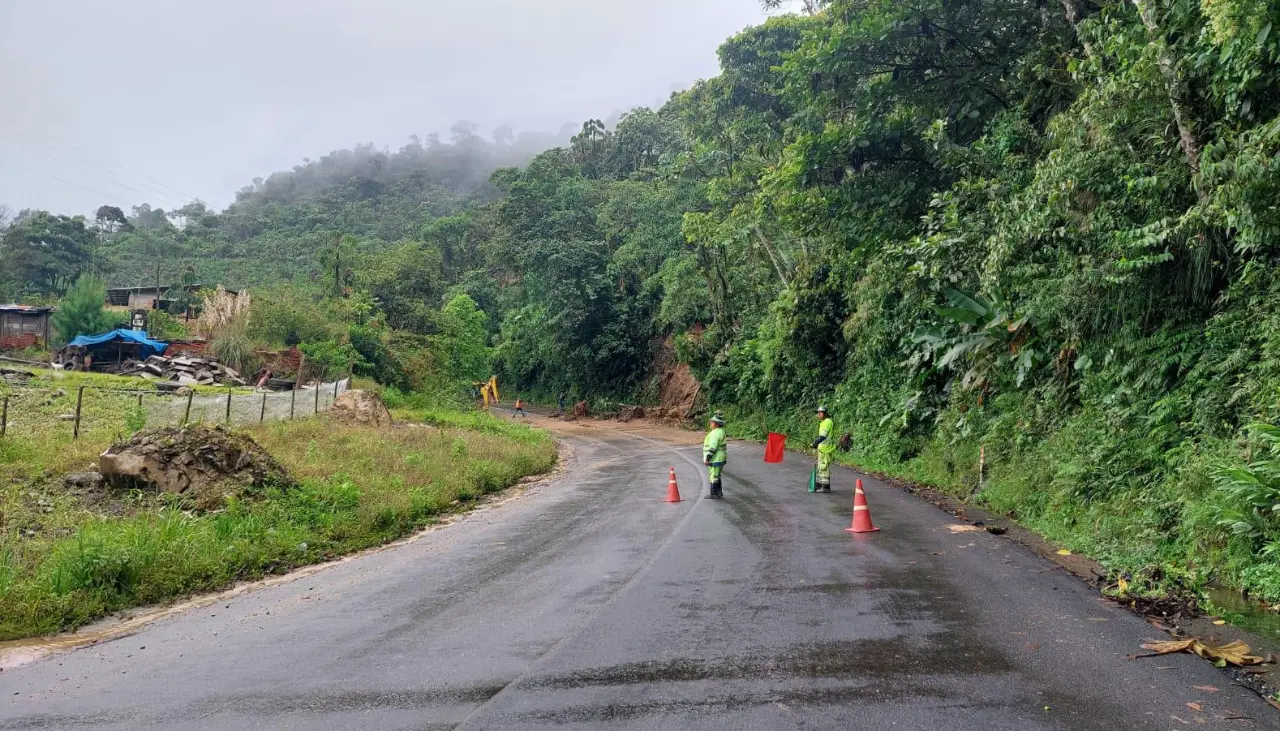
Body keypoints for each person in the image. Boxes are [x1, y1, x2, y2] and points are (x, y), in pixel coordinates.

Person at [703, 412, 728, 500]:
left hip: (716, 458)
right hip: (720, 457)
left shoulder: (715, 433)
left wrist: (708, 458)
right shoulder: (721, 431)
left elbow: (713, 447)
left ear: (717, 424)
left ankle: (713, 493)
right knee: (717, 475)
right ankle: (719, 492)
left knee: (713, 475)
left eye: (712, 422)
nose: (710, 423)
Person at [811, 405, 835, 493]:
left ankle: (825, 487)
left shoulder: (827, 422)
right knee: (821, 467)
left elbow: (823, 436)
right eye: (818, 413)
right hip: (822, 448)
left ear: (825, 413)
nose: (818, 414)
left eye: (820, 412)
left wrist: (815, 443)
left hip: (826, 449)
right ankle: (820, 484)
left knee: (824, 467)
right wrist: (816, 445)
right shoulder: (823, 422)